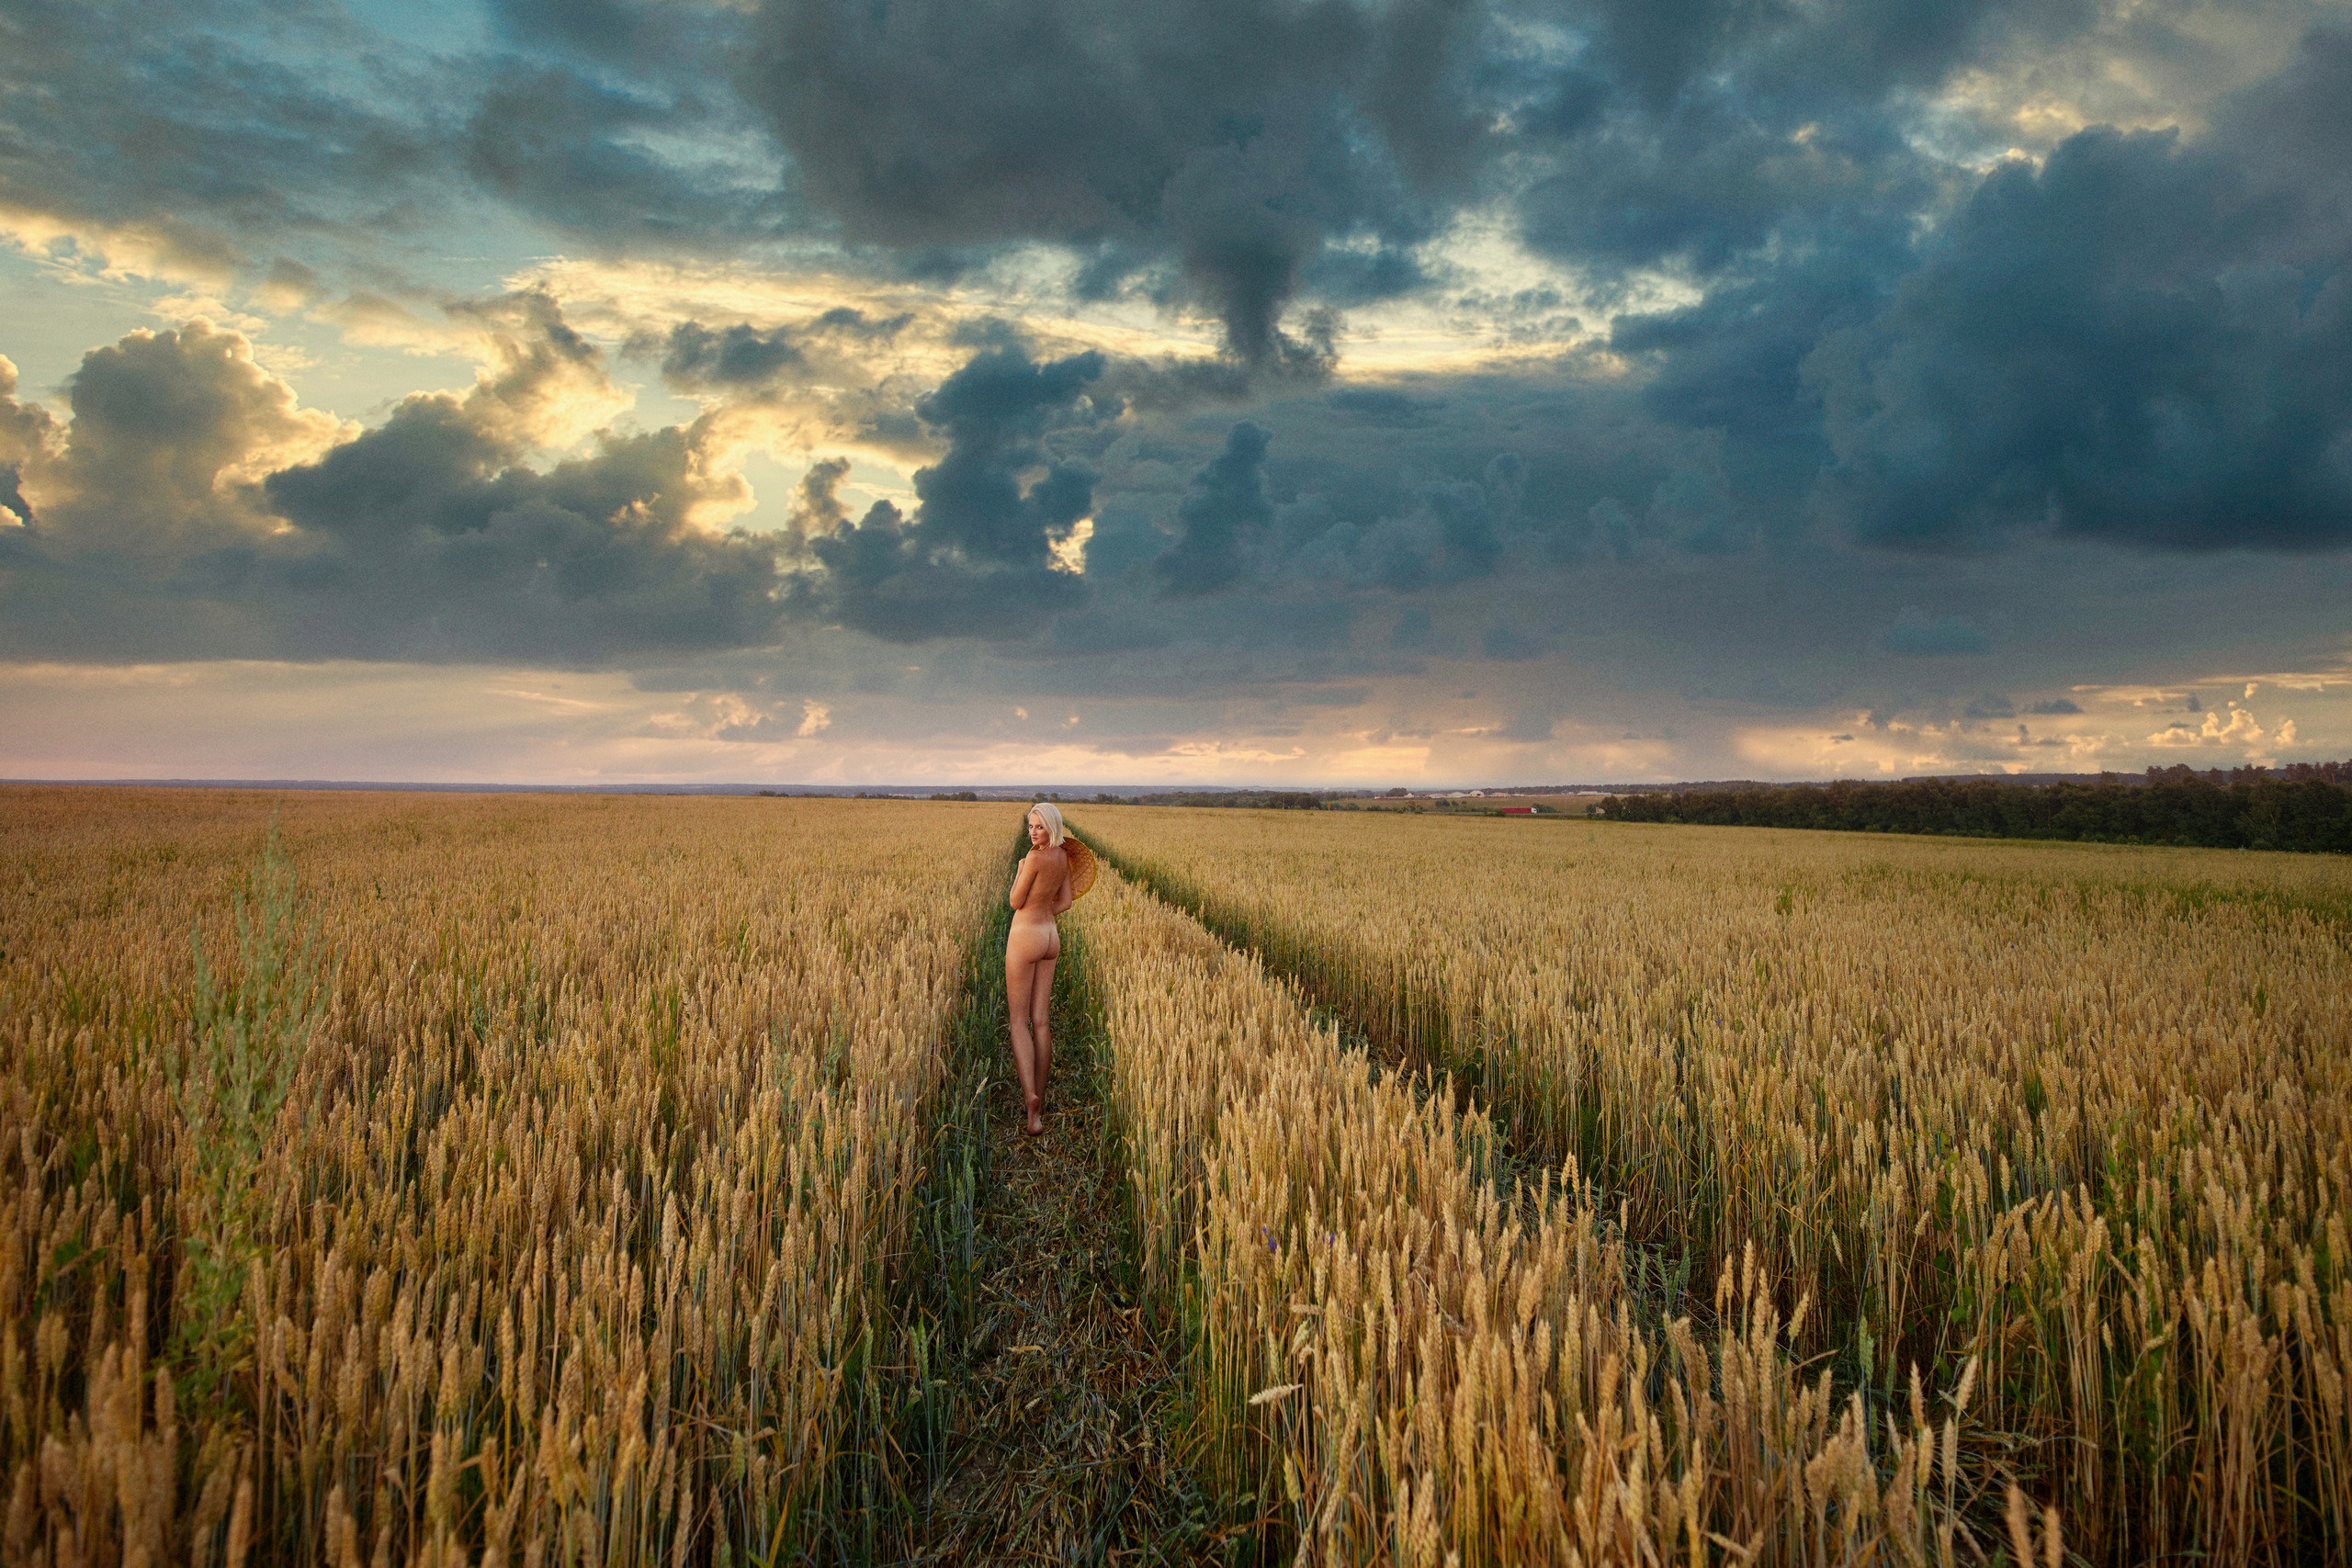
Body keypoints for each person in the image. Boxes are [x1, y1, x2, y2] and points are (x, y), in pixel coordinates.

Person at [1006, 802, 1074, 1135]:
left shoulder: (1033, 859)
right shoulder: (1063, 857)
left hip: (1025, 936)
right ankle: (1042, 1100)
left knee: (1019, 1021)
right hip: (1050, 937)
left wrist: (1021, 869)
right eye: (1030, 826)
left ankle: (1030, 1102)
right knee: (1042, 1021)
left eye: (1039, 827)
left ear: (1052, 827)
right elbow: (1066, 902)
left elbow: (1015, 901)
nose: (1033, 832)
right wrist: (1044, 912)